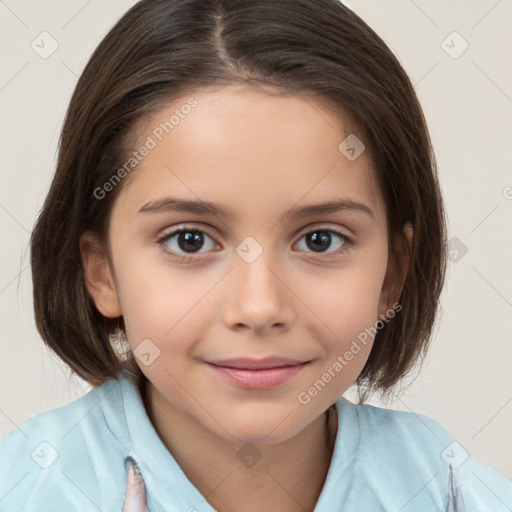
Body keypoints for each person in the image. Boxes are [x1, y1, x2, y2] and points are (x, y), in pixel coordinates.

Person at [0, 0, 510, 510]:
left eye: (320, 240)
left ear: (392, 274)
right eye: (190, 240)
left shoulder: (456, 494)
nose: (259, 307)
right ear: (101, 271)